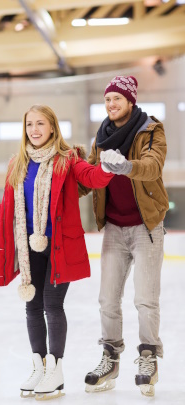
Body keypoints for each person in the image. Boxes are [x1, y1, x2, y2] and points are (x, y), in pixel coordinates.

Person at [0, 104, 114, 401]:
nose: (34, 130)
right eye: (29, 125)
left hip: (60, 247)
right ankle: (39, 365)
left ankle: (56, 371)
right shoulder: (18, 165)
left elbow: (92, 178)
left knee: (52, 304)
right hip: (29, 247)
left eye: (40, 124)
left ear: (52, 127)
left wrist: (108, 168)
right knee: (32, 306)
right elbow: (7, 210)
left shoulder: (67, 159)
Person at [82, 76, 169, 397]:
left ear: (130, 101)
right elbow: (90, 176)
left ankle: (148, 356)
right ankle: (110, 356)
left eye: (117, 99)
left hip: (146, 227)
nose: (111, 105)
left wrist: (127, 166)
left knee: (145, 299)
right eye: (108, 100)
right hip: (115, 228)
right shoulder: (101, 137)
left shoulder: (150, 130)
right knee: (107, 299)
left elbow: (153, 166)